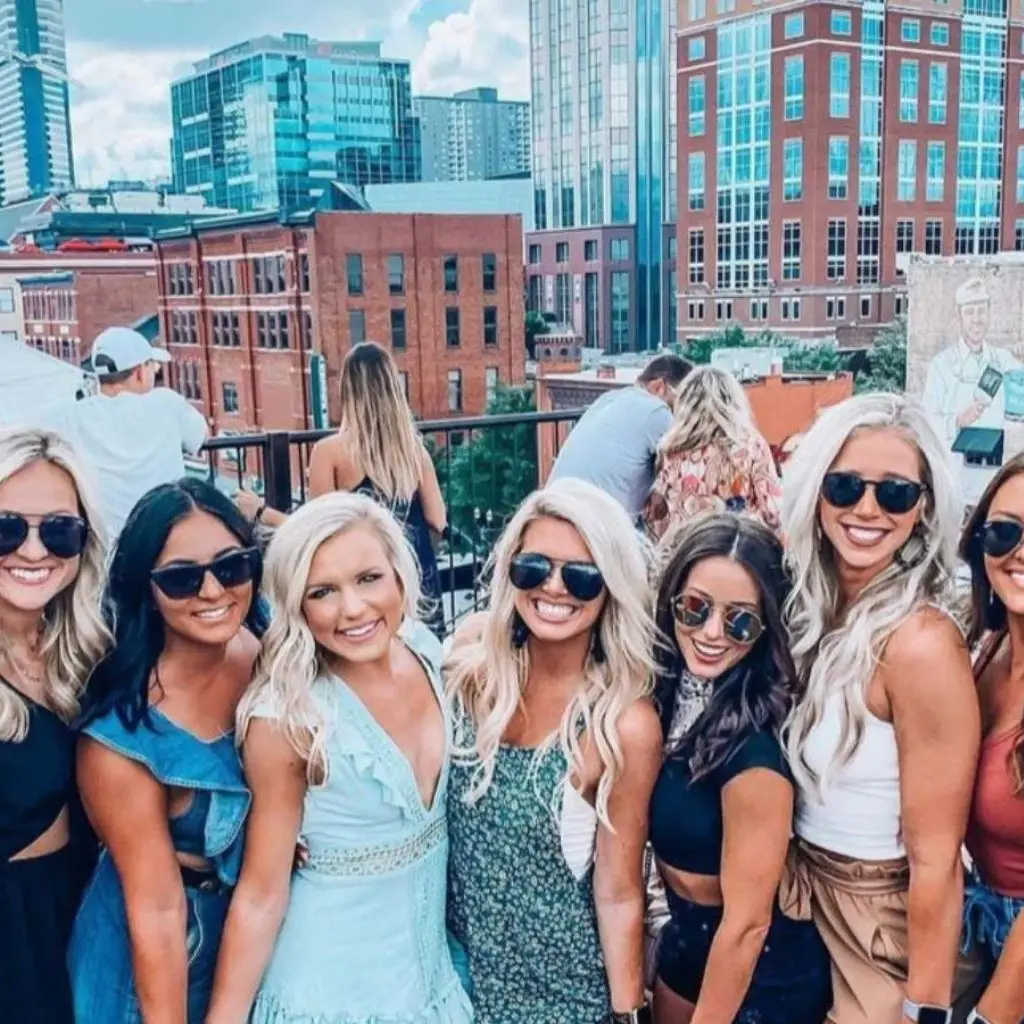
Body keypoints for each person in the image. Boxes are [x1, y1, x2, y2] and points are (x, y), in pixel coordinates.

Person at [205, 492, 471, 1024]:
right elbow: (261, 894)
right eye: (322, 591)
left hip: (430, 984)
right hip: (326, 996)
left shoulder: (428, 652)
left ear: (400, 574)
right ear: (297, 605)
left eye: (368, 578)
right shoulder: (288, 717)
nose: (352, 608)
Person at [780, 393, 981, 1023]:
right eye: (844, 487)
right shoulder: (808, 612)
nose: (867, 509)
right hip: (799, 887)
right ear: (816, 495)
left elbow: (936, 860)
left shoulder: (920, 645)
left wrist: (925, 1008)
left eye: (894, 493)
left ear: (922, 509)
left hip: (880, 921)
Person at [445, 477, 662, 1024]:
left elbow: (619, 892)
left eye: (582, 576)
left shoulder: (621, 723)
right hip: (455, 983)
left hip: (562, 1001)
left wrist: (627, 1014)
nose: (555, 588)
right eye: (534, 567)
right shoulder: (471, 680)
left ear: (610, 585)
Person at [68, 478, 265, 1022]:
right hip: (154, 966)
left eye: (231, 566)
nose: (212, 592)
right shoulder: (121, 738)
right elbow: (156, 911)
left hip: (244, 937)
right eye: (181, 579)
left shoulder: (265, 649)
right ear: (146, 590)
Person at [649, 513, 831, 1024]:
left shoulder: (755, 755)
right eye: (695, 608)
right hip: (688, 948)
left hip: (760, 978)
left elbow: (748, 925)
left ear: (765, 626)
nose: (711, 633)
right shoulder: (666, 698)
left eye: (740, 620)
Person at [0, 427, 109, 1021]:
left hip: (81, 916)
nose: (34, 551)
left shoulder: (88, 647)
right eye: (6, 528)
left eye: (59, 530)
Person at [237, 341, 447, 635]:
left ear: (348, 391)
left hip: (364, 580)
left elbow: (317, 530)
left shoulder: (330, 452)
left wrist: (259, 511)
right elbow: (438, 519)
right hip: (415, 579)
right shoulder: (414, 451)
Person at [958, 452, 1024, 1024]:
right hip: (984, 925)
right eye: (1004, 531)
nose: (1019, 551)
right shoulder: (987, 648)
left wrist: (992, 1014)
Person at [41, 326, 209, 541]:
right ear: (139, 371)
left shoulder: (73, 415)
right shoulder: (166, 403)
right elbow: (199, 436)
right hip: (169, 542)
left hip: (106, 550)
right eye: (152, 366)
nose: (155, 372)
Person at [548, 353, 692, 523]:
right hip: (595, 526)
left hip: (551, 508)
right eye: (683, 402)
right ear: (659, 386)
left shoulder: (608, 399)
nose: (684, 412)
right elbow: (686, 464)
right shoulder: (657, 411)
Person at [644, 365, 781, 541]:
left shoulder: (670, 449)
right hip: (734, 551)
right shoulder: (750, 445)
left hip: (684, 552)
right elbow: (774, 513)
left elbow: (658, 517)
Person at [922, 277, 1021, 447]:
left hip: (996, 468)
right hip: (954, 467)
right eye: (969, 312)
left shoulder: (1005, 361)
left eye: (981, 311)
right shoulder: (941, 365)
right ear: (959, 317)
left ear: (989, 314)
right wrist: (957, 420)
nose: (976, 319)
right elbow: (926, 425)